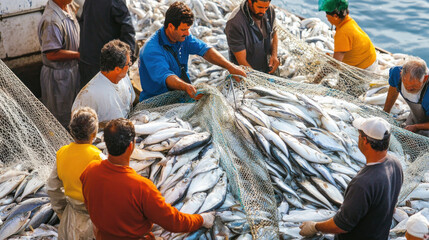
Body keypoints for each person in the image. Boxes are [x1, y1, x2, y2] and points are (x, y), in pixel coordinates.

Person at [80, 118, 215, 239]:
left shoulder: (90, 170)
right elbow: (173, 222)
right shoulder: (141, 187)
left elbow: (88, 204)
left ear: (107, 145)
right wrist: (202, 220)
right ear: (131, 146)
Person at [299, 117, 403, 240]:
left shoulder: (363, 183)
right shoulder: (395, 164)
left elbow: (342, 225)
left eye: (359, 134)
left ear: (364, 141)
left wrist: (315, 226)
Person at [138, 1, 246, 101]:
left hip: (181, 97)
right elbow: (166, 77)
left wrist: (230, 66)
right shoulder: (152, 50)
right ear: (171, 27)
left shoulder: (183, 38)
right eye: (183, 29)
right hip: (157, 101)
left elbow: (205, 50)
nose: (188, 33)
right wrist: (186, 87)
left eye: (188, 29)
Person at [47, 107, 104, 239]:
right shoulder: (99, 158)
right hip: (95, 221)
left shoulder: (62, 153)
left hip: (71, 217)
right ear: (94, 134)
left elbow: (52, 188)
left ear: (72, 131)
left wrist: (62, 212)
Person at [38, 0, 80, 128]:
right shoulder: (52, 20)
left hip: (71, 71)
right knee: (59, 118)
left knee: (73, 113)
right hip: (58, 77)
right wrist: (80, 55)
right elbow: (52, 54)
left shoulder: (69, 6)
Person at [72, 40, 135, 124]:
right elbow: (79, 128)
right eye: (128, 63)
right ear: (117, 69)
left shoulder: (124, 78)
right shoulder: (89, 95)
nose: (130, 64)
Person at [78, 0, 135, 87]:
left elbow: (82, 24)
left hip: (87, 60)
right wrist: (128, 59)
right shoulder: (115, 2)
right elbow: (128, 30)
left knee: (89, 94)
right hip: (106, 64)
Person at [318, 0, 377, 70]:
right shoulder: (349, 21)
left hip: (364, 69)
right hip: (372, 60)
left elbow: (335, 64)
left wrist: (316, 80)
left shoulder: (342, 33)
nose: (326, 16)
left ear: (335, 16)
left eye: (327, 13)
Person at [225, 0, 279, 74]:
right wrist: (257, 78)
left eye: (265, 7)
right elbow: (242, 61)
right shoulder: (235, 23)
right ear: (250, 1)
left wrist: (274, 55)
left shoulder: (270, 10)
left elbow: (274, 33)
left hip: (264, 66)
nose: (263, 11)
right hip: (245, 72)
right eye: (259, 7)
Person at [384, 58, 429, 137]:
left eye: (413, 87)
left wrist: (416, 127)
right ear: (401, 74)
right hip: (415, 117)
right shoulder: (396, 73)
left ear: (425, 78)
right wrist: (385, 113)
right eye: (405, 84)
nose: (408, 88)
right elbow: (393, 89)